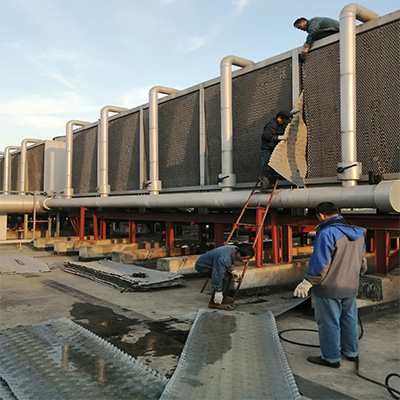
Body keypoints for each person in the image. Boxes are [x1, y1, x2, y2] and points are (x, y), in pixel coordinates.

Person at [294, 202, 367, 368]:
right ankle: (351, 352)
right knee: (349, 320)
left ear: (320, 216)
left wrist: (308, 282)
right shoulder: (358, 233)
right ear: (338, 213)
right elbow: (363, 263)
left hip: (329, 288)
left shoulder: (327, 233)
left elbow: (321, 264)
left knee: (329, 322)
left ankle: (331, 358)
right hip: (350, 286)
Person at [195, 243, 254, 310]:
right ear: (239, 253)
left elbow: (229, 262)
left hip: (214, 263)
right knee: (224, 279)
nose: (244, 261)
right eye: (243, 258)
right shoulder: (224, 258)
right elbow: (217, 274)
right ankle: (214, 302)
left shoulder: (235, 249)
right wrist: (218, 291)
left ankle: (223, 297)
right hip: (203, 266)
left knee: (229, 276)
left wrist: (232, 270)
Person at [259, 111, 290, 192]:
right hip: (267, 149)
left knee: (274, 167)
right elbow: (266, 135)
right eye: (283, 121)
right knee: (266, 167)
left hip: (273, 149)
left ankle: (271, 185)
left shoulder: (280, 125)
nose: (283, 123)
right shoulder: (272, 124)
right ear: (279, 118)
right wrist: (278, 137)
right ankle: (264, 185)